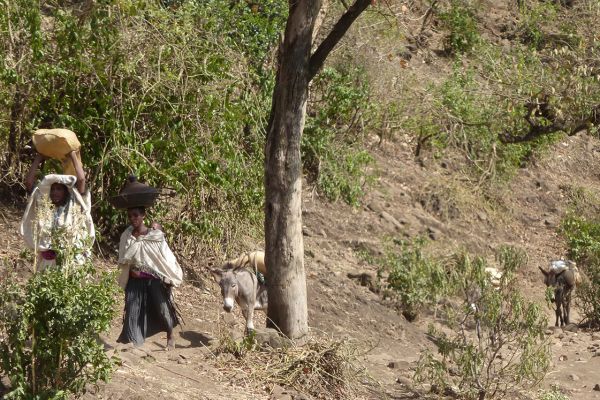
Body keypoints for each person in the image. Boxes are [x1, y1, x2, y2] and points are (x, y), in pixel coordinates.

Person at [116, 206, 183, 350]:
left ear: (143, 216)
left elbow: (165, 258)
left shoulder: (154, 236)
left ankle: (170, 334)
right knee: (132, 310)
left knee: (163, 308)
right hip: (134, 280)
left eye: (135, 215)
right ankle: (134, 344)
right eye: (130, 216)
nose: (133, 219)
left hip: (153, 279)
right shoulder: (127, 237)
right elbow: (123, 259)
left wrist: (170, 276)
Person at [20, 150, 94, 270]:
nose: (54, 192)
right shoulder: (45, 208)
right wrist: (39, 158)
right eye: (53, 189)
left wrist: (72, 155)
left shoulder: (74, 205)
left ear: (66, 192)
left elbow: (81, 180)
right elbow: (29, 183)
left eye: (59, 189)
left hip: (69, 264)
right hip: (47, 263)